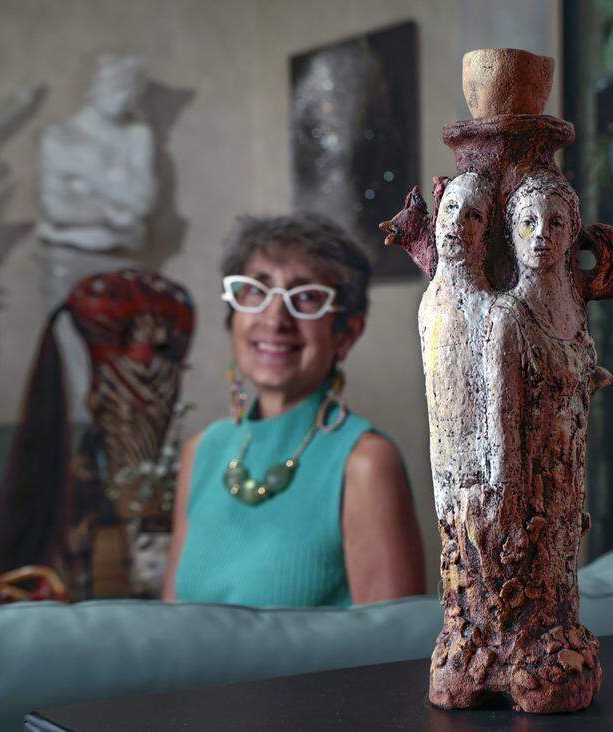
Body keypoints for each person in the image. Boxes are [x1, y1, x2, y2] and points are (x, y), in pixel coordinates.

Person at [162, 215, 425, 607]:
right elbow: (169, 630)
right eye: (256, 291)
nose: (275, 318)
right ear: (233, 317)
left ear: (346, 333)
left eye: (305, 297)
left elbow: (394, 658)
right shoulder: (202, 452)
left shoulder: (365, 464)